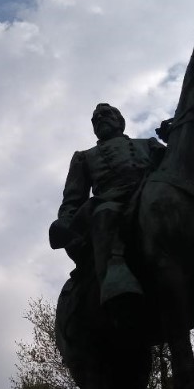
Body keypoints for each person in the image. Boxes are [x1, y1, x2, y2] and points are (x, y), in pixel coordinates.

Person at [49, 103, 166, 314]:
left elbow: (175, 169)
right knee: (106, 213)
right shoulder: (84, 157)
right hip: (110, 202)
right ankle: (115, 275)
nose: (100, 118)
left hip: (152, 199)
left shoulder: (148, 144)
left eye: (106, 114)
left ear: (120, 121)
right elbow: (72, 199)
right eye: (95, 118)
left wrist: (174, 138)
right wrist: (66, 220)